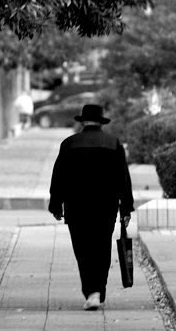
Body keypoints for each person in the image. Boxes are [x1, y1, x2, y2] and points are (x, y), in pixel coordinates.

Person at [48, 104, 134, 311]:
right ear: (101, 122)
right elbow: (123, 178)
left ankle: (91, 291)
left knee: (83, 249)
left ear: (82, 121)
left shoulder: (69, 144)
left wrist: (56, 204)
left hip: (76, 206)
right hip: (106, 205)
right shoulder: (113, 144)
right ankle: (97, 291)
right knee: (102, 247)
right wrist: (126, 208)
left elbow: (58, 177)